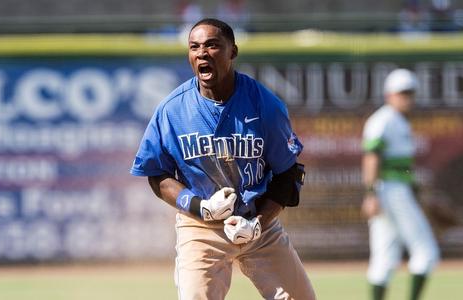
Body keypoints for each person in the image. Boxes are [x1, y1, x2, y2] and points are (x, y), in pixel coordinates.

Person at [130, 18, 315, 299]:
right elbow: (157, 174)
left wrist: (257, 224)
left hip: (257, 221)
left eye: (212, 45)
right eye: (194, 47)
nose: (202, 53)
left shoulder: (265, 105)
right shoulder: (172, 110)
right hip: (201, 226)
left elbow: (287, 174)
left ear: (233, 52)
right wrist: (200, 207)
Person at [361, 68, 439, 300]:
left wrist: (419, 193)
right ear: (389, 95)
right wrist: (371, 194)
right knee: (426, 251)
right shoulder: (383, 120)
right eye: (402, 92)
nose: (407, 98)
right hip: (390, 191)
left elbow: (403, 168)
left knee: (385, 258)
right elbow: (371, 157)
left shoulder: (400, 122)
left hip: (396, 190)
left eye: (411, 93)